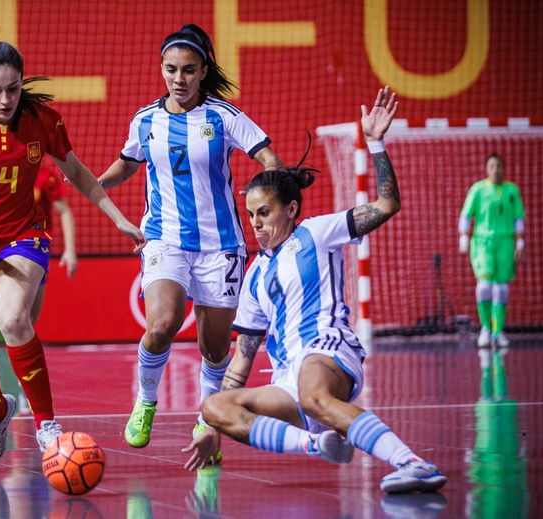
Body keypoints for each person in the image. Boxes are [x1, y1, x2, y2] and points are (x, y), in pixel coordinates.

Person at [183, 87, 448, 494]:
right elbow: (242, 360)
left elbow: (387, 204)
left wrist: (375, 141)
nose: (255, 222)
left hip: (327, 347)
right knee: (214, 406)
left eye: (265, 212)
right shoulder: (254, 276)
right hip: (290, 377)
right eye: (251, 214)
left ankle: (413, 463)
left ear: (290, 209)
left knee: (313, 396)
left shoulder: (317, 232)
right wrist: (211, 427)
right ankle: (317, 444)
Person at [0, 28, 146, 462]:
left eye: (13, 88)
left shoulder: (41, 120)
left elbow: (77, 173)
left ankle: (47, 425)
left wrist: (119, 218)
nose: (6, 100)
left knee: (12, 318)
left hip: (19, 234)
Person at [97, 24, 284, 453]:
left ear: (203, 71)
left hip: (221, 246)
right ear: (161, 69)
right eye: (171, 69)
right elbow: (127, 164)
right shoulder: (146, 120)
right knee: (161, 326)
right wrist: (92, 184)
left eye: (188, 70)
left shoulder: (224, 116)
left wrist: (274, 184)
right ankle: (145, 402)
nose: (179, 79)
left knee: (214, 348)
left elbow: (268, 157)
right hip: (164, 239)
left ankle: (206, 418)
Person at [458, 154, 525, 348]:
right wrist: (464, 237)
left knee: (501, 289)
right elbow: (466, 214)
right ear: (487, 169)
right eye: (492, 166)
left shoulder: (512, 191)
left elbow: (518, 218)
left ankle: (498, 331)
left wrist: (520, 244)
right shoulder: (478, 190)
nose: (496, 169)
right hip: (483, 243)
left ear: (503, 168)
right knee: (485, 286)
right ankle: (485, 328)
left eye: (499, 166)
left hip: (505, 243)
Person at [31, 165, 77, 323]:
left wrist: (70, 250)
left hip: (37, 247)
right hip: (6, 245)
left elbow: (64, 210)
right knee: (15, 316)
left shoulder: (43, 175)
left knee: (31, 316)